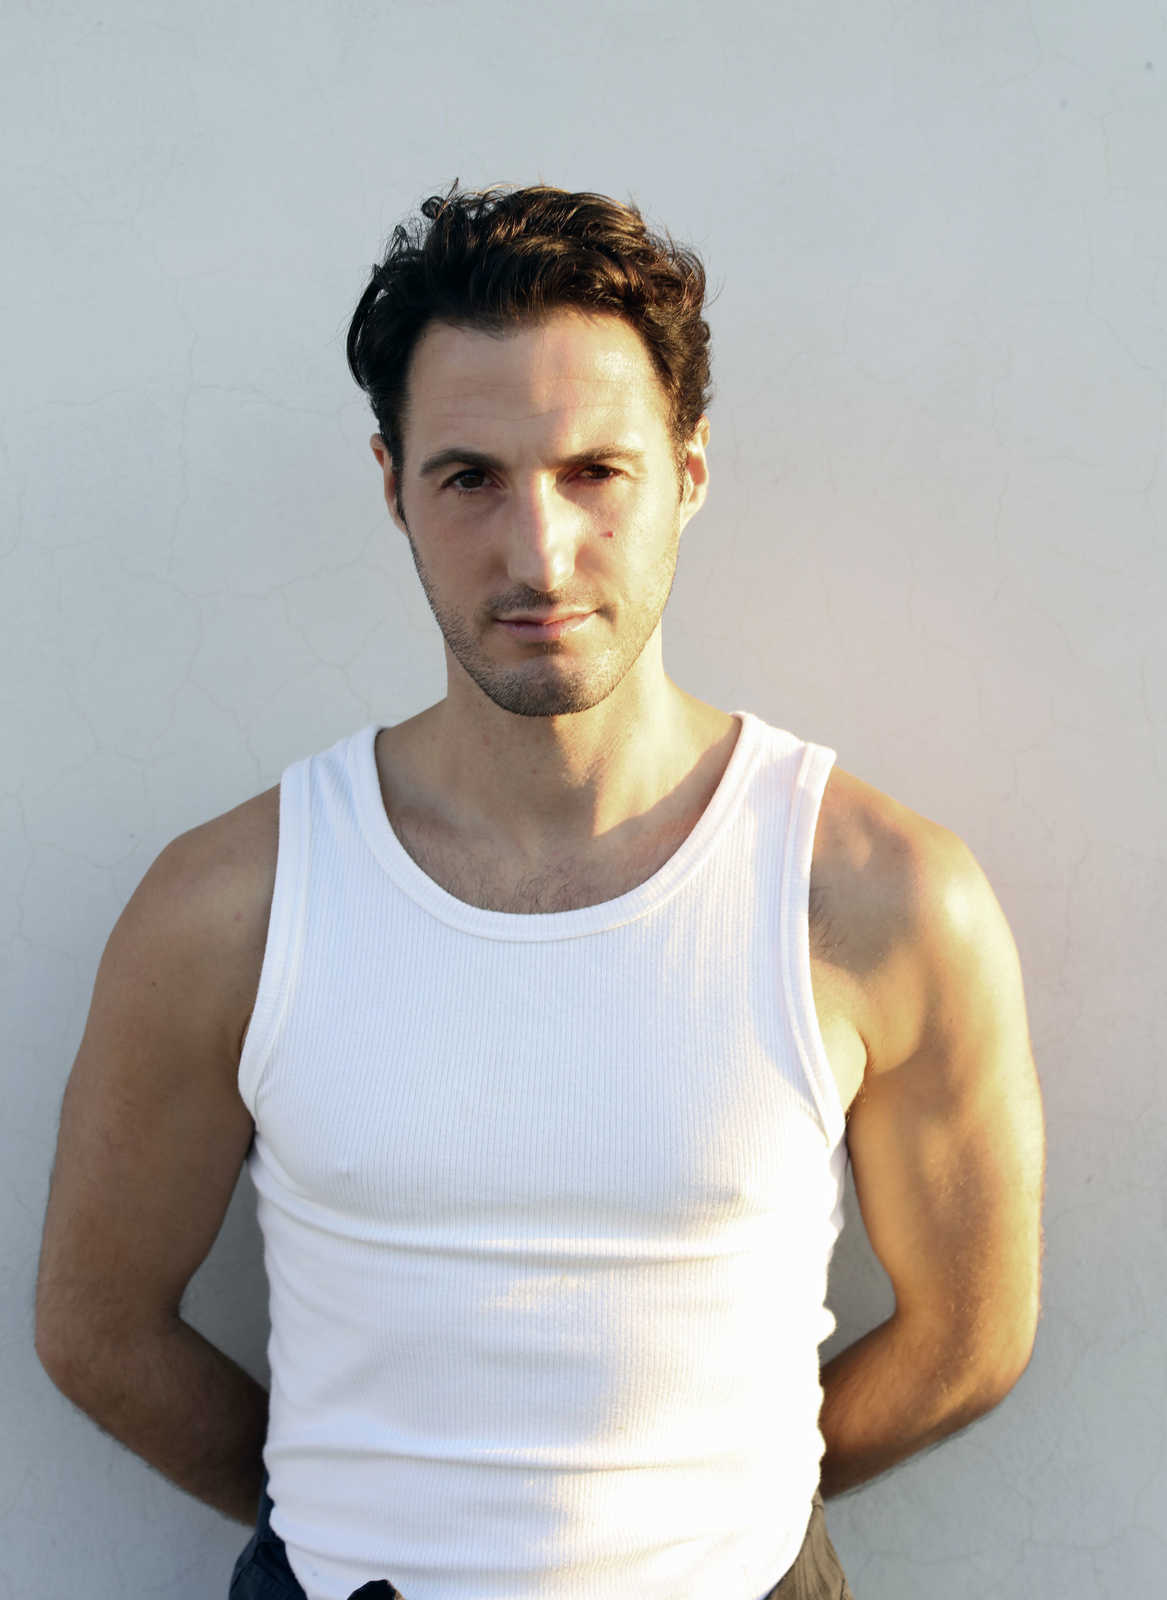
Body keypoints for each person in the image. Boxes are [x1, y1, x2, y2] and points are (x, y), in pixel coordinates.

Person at [34, 182, 1045, 1600]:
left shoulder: (881, 899)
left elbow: (970, 1339)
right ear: (392, 484)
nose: (538, 553)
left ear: (690, 475)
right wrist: (341, 1515)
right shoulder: (233, 905)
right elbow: (96, 1326)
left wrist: (720, 1518)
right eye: (470, 478)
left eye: (595, 473)